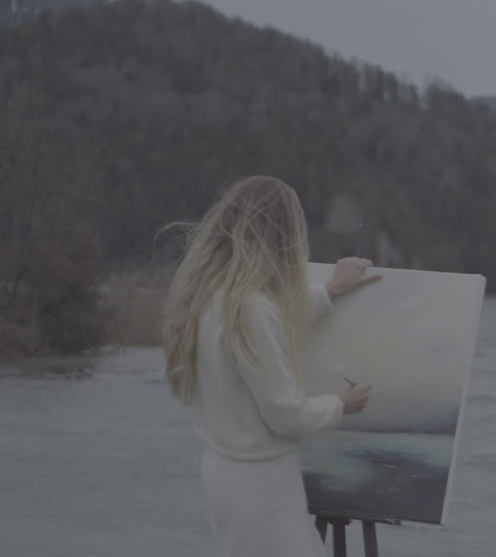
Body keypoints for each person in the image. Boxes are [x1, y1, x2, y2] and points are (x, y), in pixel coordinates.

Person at [161, 176, 381, 556]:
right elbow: (286, 415)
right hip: (261, 487)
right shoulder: (251, 308)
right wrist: (341, 404)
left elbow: (272, 320)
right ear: (283, 235)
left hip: (225, 476)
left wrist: (328, 291)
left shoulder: (209, 296)